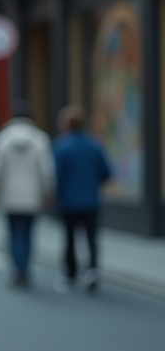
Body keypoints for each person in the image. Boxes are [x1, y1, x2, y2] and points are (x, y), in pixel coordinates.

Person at [0, 100, 55, 288]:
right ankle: (25, 269)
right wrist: (48, 191)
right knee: (28, 234)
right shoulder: (40, 139)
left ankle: (16, 268)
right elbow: (47, 170)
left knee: (13, 234)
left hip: (9, 196)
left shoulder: (3, 139)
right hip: (31, 196)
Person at [52, 105, 113, 293]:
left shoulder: (62, 146)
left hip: (69, 201)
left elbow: (56, 175)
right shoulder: (94, 144)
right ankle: (92, 270)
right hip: (90, 200)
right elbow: (106, 172)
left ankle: (71, 273)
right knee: (91, 238)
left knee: (69, 238)